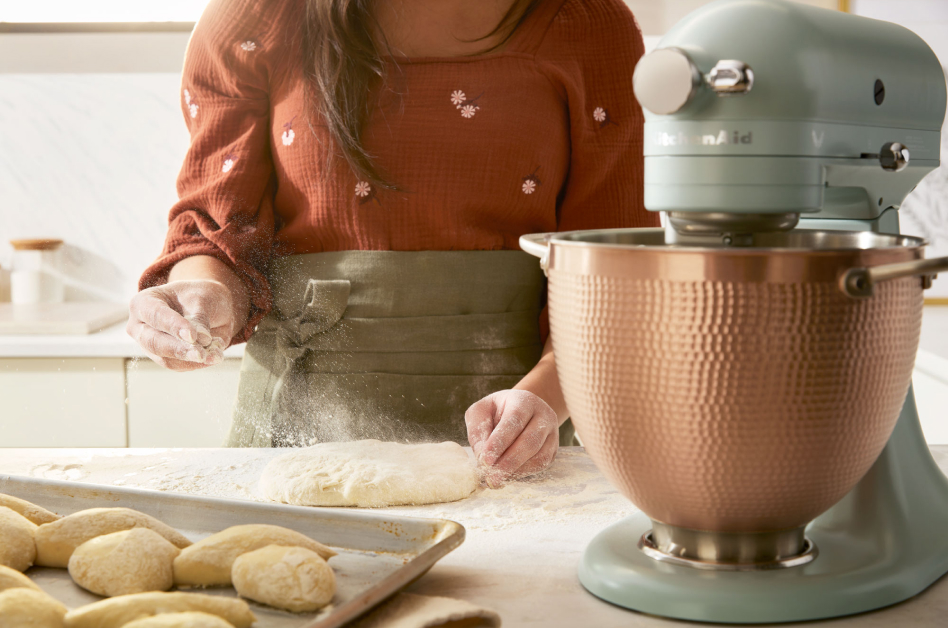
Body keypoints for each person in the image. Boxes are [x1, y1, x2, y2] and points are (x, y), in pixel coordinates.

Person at [127, 0, 656, 485]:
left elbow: (611, 273)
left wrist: (541, 398)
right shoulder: (255, 18)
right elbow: (217, 229)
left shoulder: (587, 23)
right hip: (290, 432)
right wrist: (205, 295)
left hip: (511, 434)